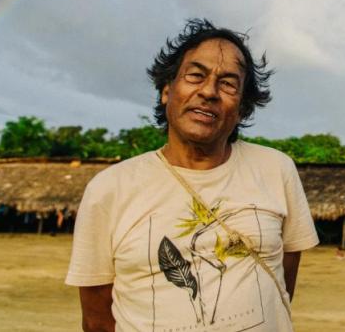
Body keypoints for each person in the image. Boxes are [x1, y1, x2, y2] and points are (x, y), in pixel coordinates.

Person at [66, 19, 319, 332]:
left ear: (242, 108)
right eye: (196, 75)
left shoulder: (276, 169)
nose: (209, 91)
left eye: (228, 84)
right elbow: (97, 319)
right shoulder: (109, 188)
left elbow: (281, 283)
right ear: (167, 90)